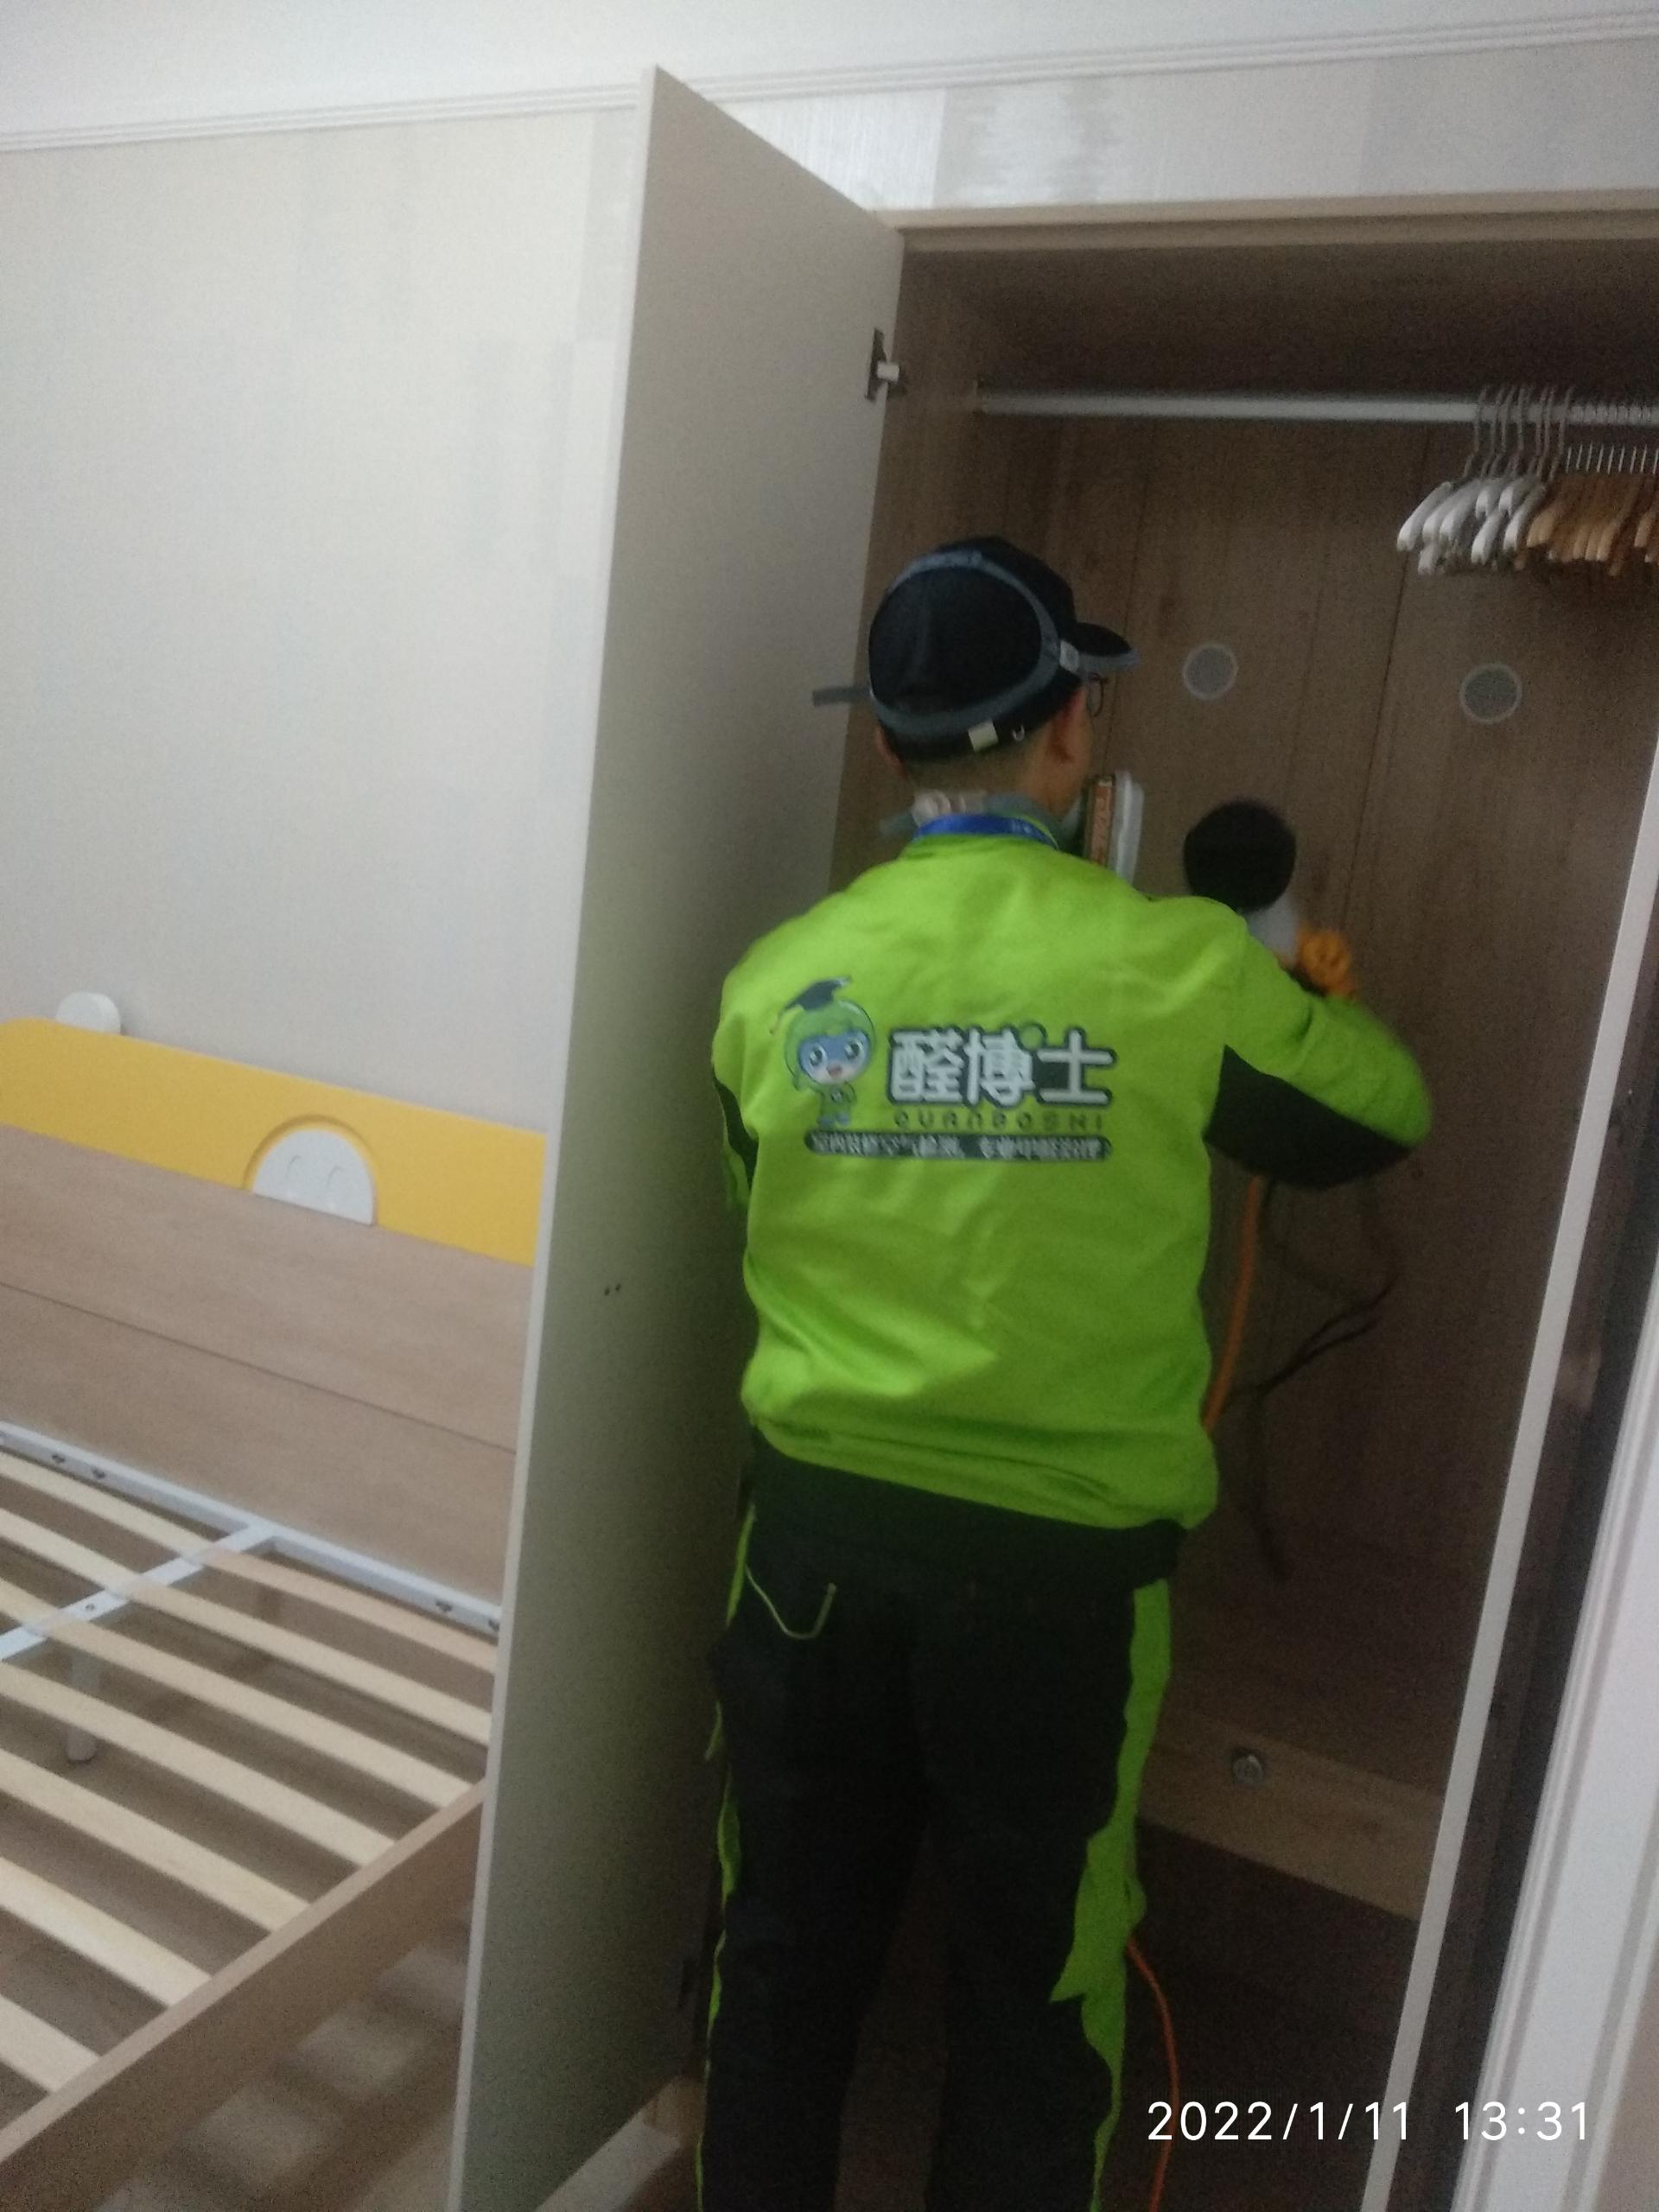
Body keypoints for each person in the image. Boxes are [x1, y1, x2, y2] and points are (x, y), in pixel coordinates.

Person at [699, 537, 1431, 2212]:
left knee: (782, 1956)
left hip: (811, 1557)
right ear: (1073, 729)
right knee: (1036, 1993)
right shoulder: (1178, 967)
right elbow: (1380, 1109)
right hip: (1058, 1592)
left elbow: (760, 1214)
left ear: (883, 740)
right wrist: (1279, 955)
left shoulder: (775, 983)